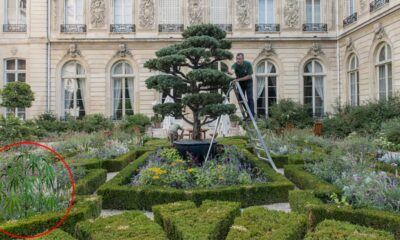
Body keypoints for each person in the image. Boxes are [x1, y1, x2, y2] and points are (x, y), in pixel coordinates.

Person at [229, 53, 255, 118]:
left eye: (239, 59)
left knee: (250, 98)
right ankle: (248, 113)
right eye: (237, 59)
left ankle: (252, 114)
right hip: (240, 83)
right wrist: (230, 72)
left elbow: (249, 76)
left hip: (248, 82)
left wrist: (238, 79)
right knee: (240, 98)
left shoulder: (247, 64)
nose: (238, 60)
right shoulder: (235, 65)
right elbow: (232, 70)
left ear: (243, 59)